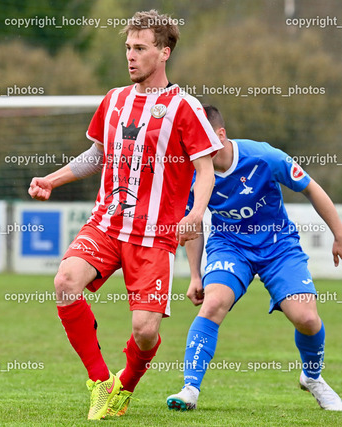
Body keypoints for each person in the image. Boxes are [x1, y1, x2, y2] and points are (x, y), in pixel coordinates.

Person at [28, 10, 222, 420]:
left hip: (154, 234)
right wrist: (52, 179)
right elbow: (96, 155)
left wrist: (196, 213)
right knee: (65, 282)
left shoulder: (185, 108)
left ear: (164, 52)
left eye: (140, 48)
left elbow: (206, 169)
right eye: (128, 48)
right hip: (106, 222)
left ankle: (124, 386)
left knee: (145, 331)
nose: (130, 56)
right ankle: (100, 380)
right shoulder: (114, 100)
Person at [166, 105, 342, 412]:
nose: (194, 148)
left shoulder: (263, 156)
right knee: (214, 303)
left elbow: (311, 188)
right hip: (230, 247)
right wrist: (195, 274)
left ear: (220, 135)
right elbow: (194, 223)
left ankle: (312, 377)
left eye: (200, 139)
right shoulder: (192, 173)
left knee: (308, 320)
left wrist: (340, 236)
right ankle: (189, 388)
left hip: (278, 247)